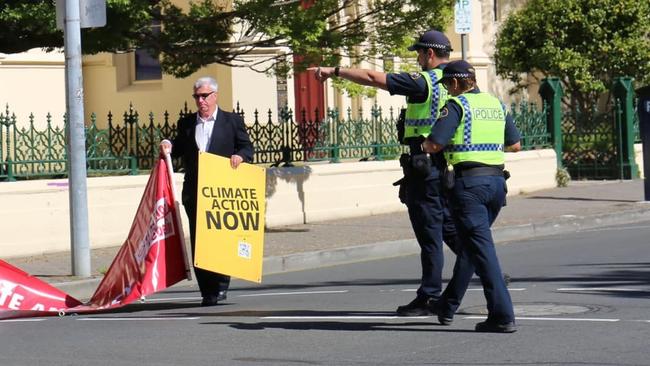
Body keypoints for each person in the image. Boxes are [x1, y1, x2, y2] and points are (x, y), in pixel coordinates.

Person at [310, 29, 460, 316]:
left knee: (430, 234)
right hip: (444, 166)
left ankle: (429, 296)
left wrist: (336, 70)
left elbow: (372, 78)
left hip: (424, 167)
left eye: (419, 53)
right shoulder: (454, 83)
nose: (417, 58)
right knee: (449, 228)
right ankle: (487, 271)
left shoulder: (425, 82)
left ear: (429, 53)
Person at [422, 60, 521, 333]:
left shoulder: (457, 106)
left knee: (483, 251)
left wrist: (423, 145)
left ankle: (502, 315)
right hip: (497, 185)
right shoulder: (496, 104)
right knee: (470, 247)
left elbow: (434, 143)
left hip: (469, 188)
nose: (448, 90)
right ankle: (447, 305)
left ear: (455, 83)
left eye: (447, 85)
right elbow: (515, 144)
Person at [160, 76, 254, 307]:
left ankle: (221, 285)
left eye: (204, 96)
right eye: (197, 96)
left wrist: (240, 156)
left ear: (215, 96)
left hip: (223, 191)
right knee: (200, 242)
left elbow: (247, 147)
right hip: (195, 191)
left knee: (221, 238)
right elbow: (179, 147)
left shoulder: (231, 121)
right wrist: (168, 145)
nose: (200, 100)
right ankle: (207, 290)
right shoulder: (188, 123)